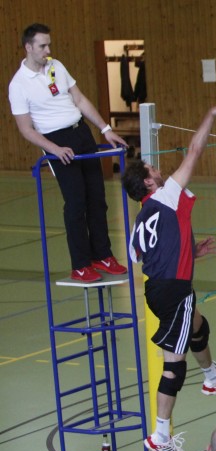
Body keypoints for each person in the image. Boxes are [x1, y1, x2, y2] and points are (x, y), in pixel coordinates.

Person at [121, 104, 216, 451]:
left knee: (199, 328)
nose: (159, 170)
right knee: (174, 366)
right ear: (148, 182)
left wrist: (190, 250)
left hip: (163, 289)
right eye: (153, 169)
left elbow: (141, 255)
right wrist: (211, 114)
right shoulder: (166, 194)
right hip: (172, 292)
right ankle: (160, 435)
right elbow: (194, 150)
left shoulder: (142, 216)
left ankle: (212, 376)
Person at [8, 23, 128, 283]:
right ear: (28, 47)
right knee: (76, 203)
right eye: (42, 46)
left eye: (49, 45)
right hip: (57, 141)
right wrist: (54, 149)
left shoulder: (57, 66)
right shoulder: (18, 84)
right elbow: (26, 129)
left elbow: (80, 99)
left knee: (97, 198)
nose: (47, 50)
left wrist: (105, 129)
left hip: (81, 132)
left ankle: (102, 255)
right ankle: (81, 264)